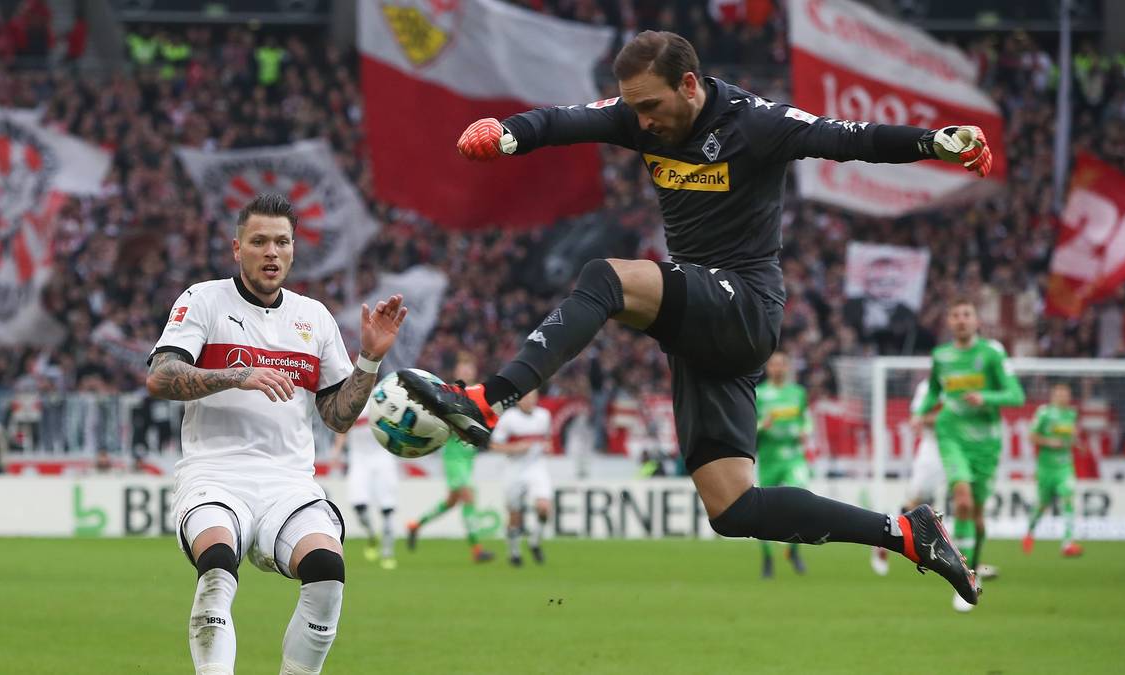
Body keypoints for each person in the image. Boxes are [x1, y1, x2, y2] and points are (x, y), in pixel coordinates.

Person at [399, 30, 992, 605]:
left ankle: (485, 400)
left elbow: (851, 138)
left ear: (688, 84)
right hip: (704, 325)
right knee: (734, 508)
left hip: (747, 303)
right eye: (634, 110)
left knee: (606, 278)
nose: (643, 122)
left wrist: (932, 142)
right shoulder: (638, 114)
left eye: (652, 106)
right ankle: (908, 535)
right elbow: (563, 120)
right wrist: (507, 132)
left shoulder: (756, 123)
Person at [145, 193, 408, 675]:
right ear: (236, 248)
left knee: (328, 573)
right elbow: (160, 377)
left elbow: (338, 416)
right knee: (219, 565)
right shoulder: (203, 300)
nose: (272, 252)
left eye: (282, 242)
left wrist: (369, 359)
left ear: (293, 249)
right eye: (259, 241)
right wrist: (235, 374)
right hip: (214, 475)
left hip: (288, 482)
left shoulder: (314, 317)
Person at [913, 298, 1025, 612]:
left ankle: (973, 566)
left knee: (976, 515)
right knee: (960, 500)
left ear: (976, 321)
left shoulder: (992, 353)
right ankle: (963, 578)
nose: (961, 320)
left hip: (986, 443)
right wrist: (921, 413)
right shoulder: (941, 356)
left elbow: (1016, 395)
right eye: (955, 315)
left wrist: (985, 396)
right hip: (951, 435)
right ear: (949, 322)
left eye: (967, 314)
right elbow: (935, 391)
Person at [406, 354, 495, 563]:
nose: (466, 371)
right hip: (453, 456)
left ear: (474, 371)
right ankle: (477, 549)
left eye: (469, 367)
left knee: (452, 501)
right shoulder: (448, 394)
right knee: (468, 496)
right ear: (456, 372)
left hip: (468, 456)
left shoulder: (478, 395)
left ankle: (415, 525)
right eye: (463, 367)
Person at [871, 377, 944, 577]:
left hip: (966, 447)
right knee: (915, 502)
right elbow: (918, 419)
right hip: (935, 448)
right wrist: (951, 417)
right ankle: (881, 541)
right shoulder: (928, 387)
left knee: (967, 500)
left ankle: (972, 562)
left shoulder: (971, 384)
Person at [755, 353, 812, 578]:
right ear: (768, 368)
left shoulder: (798, 393)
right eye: (774, 364)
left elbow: (805, 419)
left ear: (787, 367)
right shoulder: (759, 394)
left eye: (781, 364)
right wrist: (762, 425)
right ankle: (768, 557)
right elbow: (749, 425)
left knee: (801, 498)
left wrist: (805, 430)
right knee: (763, 512)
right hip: (769, 458)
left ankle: (793, 550)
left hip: (793, 456)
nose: (777, 368)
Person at [490, 390, 553, 567]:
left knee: (544, 507)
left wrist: (548, 448)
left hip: (536, 467)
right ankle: (514, 553)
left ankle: (534, 541)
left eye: (533, 396)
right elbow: (495, 445)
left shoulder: (544, 416)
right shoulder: (509, 418)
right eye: (526, 397)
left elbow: (548, 441)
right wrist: (516, 447)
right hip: (514, 468)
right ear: (518, 400)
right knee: (514, 514)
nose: (530, 400)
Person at [1023, 382, 1084, 558]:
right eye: (1060, 393)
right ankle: (1029, 532)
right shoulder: (1044, 413)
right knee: (1042, 505)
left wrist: (1077, 444)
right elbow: (1031, 436)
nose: (1063, 397)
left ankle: (1067, 543)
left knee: (1068, 495)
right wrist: (1050, 442)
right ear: (1053, 395)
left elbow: (1070, 436)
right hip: (1046, 467)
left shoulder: (1071, 414)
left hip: (1065, 466)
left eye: (1066, 394)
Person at [336, 413, 401, 570]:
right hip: (358, 458)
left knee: (387, 508)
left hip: (383, 456)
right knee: (358, 506)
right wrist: (336, 450)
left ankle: (387, 553)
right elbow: (342, 428)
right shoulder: (353, 398)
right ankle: (372, 534)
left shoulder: (386, 396)